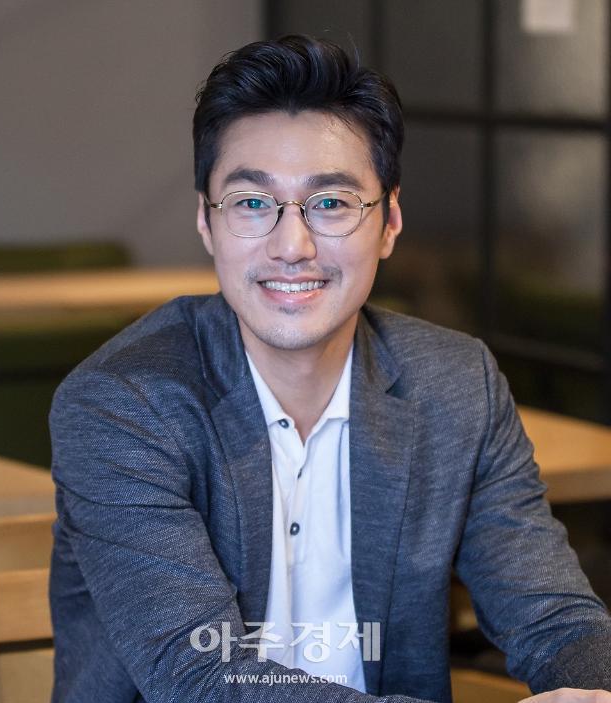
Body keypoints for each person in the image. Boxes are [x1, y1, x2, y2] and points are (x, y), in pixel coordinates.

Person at [49, 35, 611, 703]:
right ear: (206, 220)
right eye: (252, 203)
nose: (292, 246)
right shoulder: (122, 405)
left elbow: (556, 620)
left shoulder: (457, 384)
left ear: (390, 221)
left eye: (332, 203)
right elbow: (202, 678)